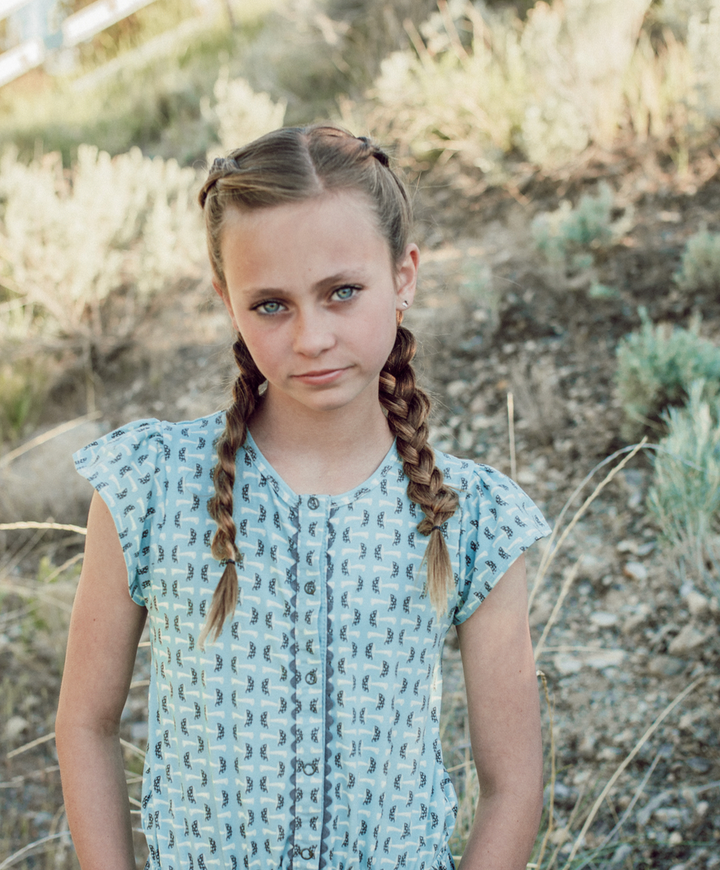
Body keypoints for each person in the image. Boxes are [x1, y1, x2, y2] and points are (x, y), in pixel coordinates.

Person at [55, 124, 551, 870]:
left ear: (404, 276)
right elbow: (86, 725)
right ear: (227, 301)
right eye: (272, 306)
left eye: (342, 292)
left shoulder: (472, 517)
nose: (313, 336)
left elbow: (512, 783)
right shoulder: (151, 485)